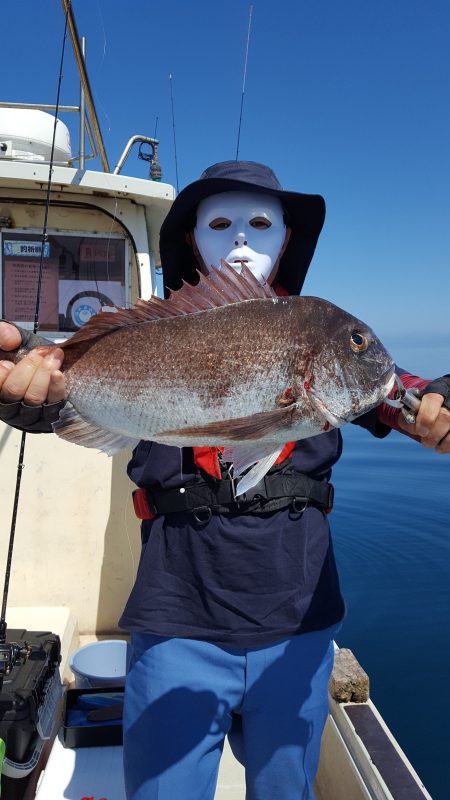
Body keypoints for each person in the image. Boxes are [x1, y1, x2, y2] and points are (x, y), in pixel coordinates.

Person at [0, 160, 449, 800]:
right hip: (173, 621)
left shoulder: (318, 335)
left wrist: (439, 397)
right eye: (221, 223)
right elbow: (71, 383)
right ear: (193, 239)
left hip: (300, 625)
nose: (242, 239)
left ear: (286, 240)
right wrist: (37, 396)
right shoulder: (150, 330)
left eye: (261, 223)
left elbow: (401, 393)